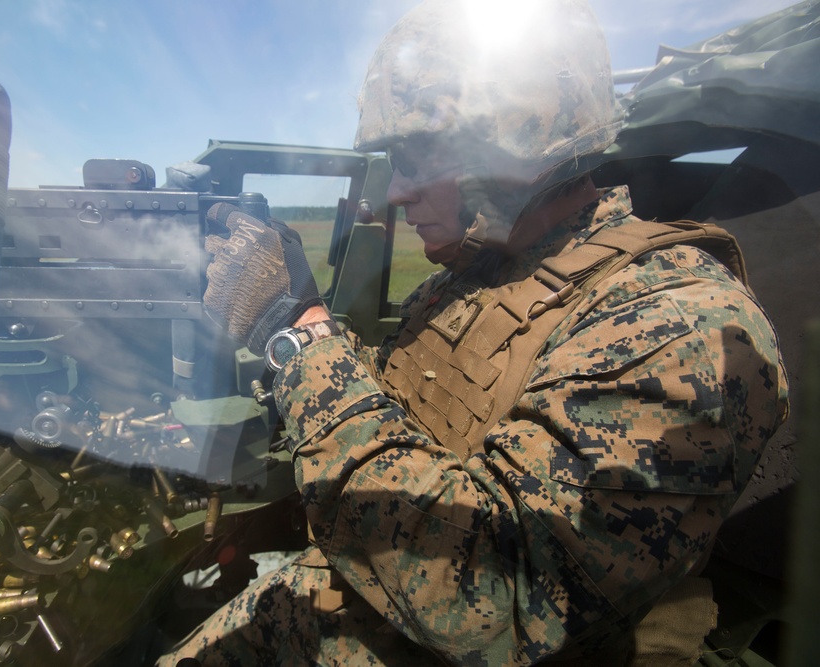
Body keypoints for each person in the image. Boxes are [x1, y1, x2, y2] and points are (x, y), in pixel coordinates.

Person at [160, 0, 789, 664]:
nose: (395, 192)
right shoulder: (472, 275)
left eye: (414, 156)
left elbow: (501, 603)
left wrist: (299, 332)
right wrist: (295, 311)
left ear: (512, 142)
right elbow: (397, 404)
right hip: (341, 599)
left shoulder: (678, 322)